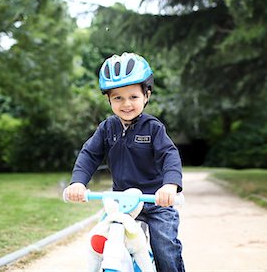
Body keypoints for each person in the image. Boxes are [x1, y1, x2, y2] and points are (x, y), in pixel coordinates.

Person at [64, 52, 185, 272]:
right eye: (118, 97)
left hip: (157, 200)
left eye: (133, 97)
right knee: (108, 242)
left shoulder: (153, 128)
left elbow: (170, 155)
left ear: (146, 96)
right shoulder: (107, 128)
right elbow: (89, 154)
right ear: (109, 99)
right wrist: (78, 183)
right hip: (122, 201)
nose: (126, 104)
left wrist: (170, 186)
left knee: (165, 247)